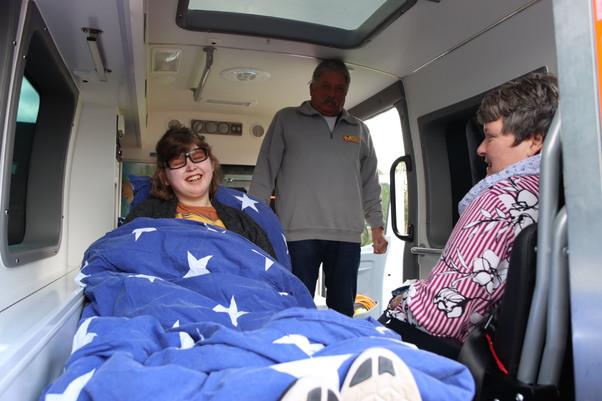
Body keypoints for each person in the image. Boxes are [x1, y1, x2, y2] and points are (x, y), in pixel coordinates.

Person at [382, 72, 559, 342]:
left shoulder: (498, 201)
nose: (480, 149)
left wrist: (399, 300)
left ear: (534, 141)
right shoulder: (554, 191)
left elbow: (439, 317)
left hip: (443, 347)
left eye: (490, 137)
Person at [249, 59, 388, 317]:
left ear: (346, 93)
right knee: (295, 309)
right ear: (312, 87)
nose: (332, 94)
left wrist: (377, 226)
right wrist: (254, 223)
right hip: (298, 234)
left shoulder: (359, 129)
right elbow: (265, 172)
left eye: (339, 89)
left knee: (343, 312)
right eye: (326, 86)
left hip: (347, 236)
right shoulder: (286, 119)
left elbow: (370, 182)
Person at [125, 127, 275, 258]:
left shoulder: (244, 223)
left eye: (197, 157)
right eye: (178, 162)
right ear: (165, 178)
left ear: (212, 164)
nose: (191, 167)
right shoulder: (146, 215)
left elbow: (272, 272)